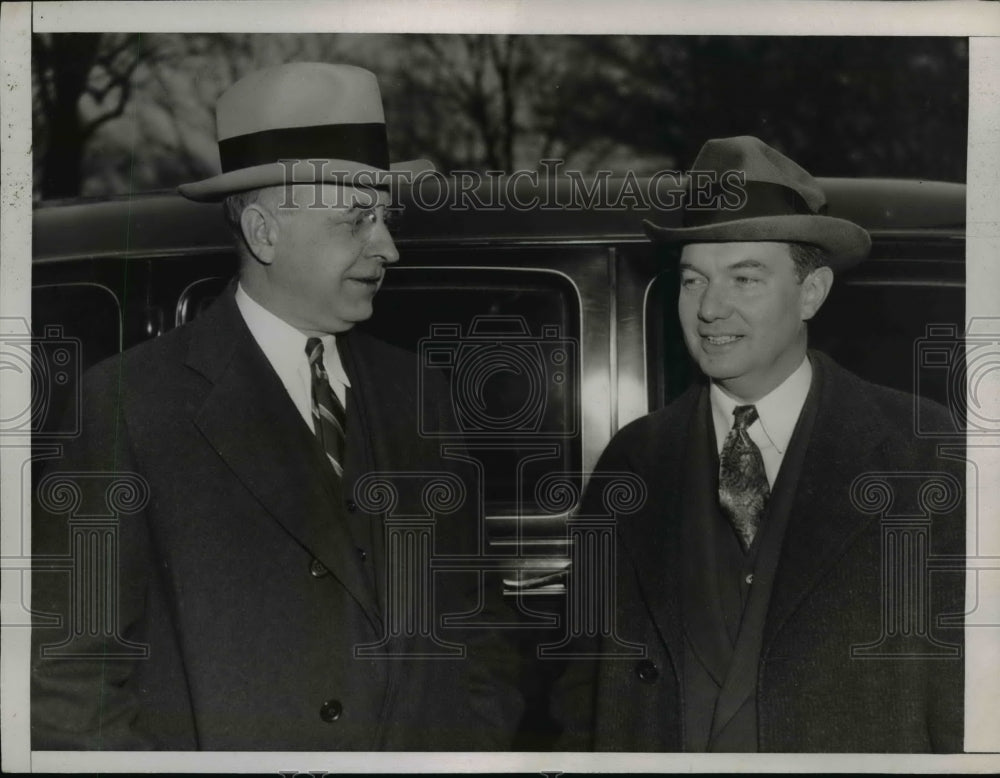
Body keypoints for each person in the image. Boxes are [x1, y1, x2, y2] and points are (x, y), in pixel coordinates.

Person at [31, 62, 521, 751]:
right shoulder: (127, 407)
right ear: (263, 233)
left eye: (385, 217)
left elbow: (480, 631)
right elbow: (68, 685)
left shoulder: (422, 395)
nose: (388, 246)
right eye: (358, 220)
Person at [552, 136, 965, 752]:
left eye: (744, 278)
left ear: (811, 292)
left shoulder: (920, 449)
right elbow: (578, 693)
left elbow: (965, 690)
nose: (711, 309)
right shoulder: (632, 460)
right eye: (693, 281)